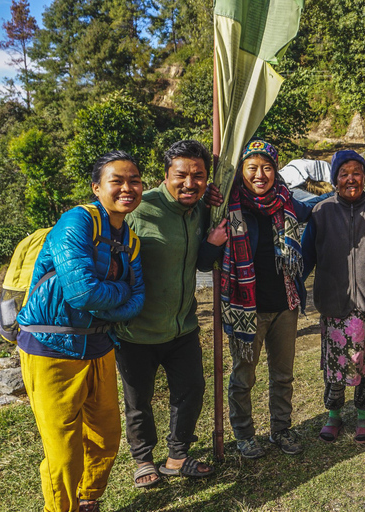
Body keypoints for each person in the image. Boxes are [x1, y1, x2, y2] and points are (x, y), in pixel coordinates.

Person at [17, 150, 146, 512]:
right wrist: (119, 294)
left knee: (106, 437)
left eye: (134, 180)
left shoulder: (130, 239)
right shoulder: (77, 222)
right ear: (96, 187)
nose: (127, 188)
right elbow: (82, 291)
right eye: (116, 181)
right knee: (63, 449)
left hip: (99, 346)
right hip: (50, 347)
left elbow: (139, 301)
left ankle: (88, 499)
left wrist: (110, 300)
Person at [114, 140, 226, 487]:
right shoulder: (137, 208)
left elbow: (202, 262)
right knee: (138, 401)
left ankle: (177, 457)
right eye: (182, 175)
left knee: (191, 390)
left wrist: (212, 239)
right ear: (166, 175)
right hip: (136, 331)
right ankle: (143, 460)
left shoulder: (199, 211)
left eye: (199, 176)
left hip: (183, 327)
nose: (190, 183)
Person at [204, 139, 315, 459]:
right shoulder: (225, 205)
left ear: (275, 170)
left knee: (283, 375)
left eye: (267, 167)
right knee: (243, 375)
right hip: (244, 307)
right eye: (252, 167)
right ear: (241, 171)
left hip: (285, 305)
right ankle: (244, 434)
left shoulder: (289, 201)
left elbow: (322, 205)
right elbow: (204, 257)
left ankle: (281, 428)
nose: (260, 174)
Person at [302, 150, 365, 444]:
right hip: (336, 302)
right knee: (336, 364)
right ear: (335, 179)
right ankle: (334, 416)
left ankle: (364, 416)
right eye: (344, 173)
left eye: (356, 173)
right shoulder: (321, 212)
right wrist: (293, 286)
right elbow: (306, 256)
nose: (351, 179)